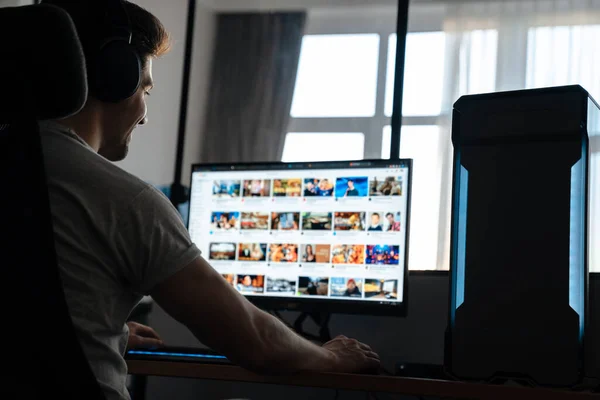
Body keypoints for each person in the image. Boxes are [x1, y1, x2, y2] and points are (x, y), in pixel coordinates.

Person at [38, 1, 380, 399]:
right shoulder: (126, 200)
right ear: (113, 78)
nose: (145, 114)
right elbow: (255, 342)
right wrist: (333, 357)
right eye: (145, 88)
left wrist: (96, 328)